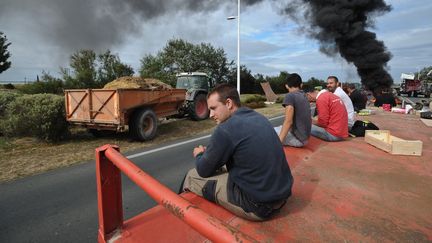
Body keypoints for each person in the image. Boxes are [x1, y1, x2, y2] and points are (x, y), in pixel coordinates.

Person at [182, 84, 293, 221]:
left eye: (213, 108)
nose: (210, 115)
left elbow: (203, 170)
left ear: (228, 103)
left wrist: (199, 154)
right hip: (283, 195)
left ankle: (178, 215)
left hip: (258, 206)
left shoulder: (225, 129)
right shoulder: (259, 118)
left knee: (191, 175)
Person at [274, 73, 311, 147]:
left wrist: (278, 144)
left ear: (286, 85)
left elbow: (288, 121)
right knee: (278, 128)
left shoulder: (290, 96)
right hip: (305, 138)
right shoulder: (304, 95)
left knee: (267, 131)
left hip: (298, 140)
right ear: (301, 85)